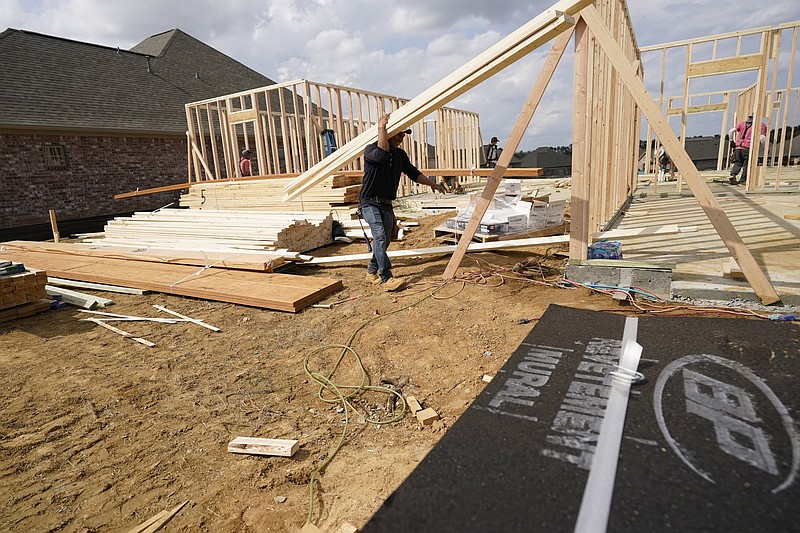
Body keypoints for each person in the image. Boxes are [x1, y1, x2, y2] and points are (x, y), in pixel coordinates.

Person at [360, 113, 445, 291]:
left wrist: (433, 184)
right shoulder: (370, 150)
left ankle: (371, 271)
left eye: (403, 135)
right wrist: (381, 127)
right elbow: (382, 155)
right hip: (369, 203)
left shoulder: (400, 155)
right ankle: (386, 278)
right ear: (388, 133)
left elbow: (413, 174)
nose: (401, 139)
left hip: (386, 203)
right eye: (398, 135)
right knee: (380, 237)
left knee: (387, 239)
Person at [728, 115, 767, 185]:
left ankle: (732, 175)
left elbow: (731, 131)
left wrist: (731, 141)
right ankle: (743, 180)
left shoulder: (742, 124)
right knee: (747, 164)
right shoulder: (761, 125)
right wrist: (765, 147)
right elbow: (762, 138)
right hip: (747, 148)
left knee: (738, 162)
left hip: (738, 147)